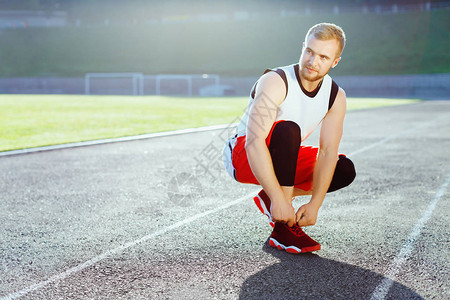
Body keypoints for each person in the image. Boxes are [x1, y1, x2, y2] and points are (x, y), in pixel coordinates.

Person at [223, 23, 356, 254]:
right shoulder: (276, 81)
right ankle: (282, 226)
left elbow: (327, 152)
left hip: (283, 155)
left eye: (323, 57)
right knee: (288, 130)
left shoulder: (335, 96)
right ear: (303, 47)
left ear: (335, 62)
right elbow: (254, 141)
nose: (313, 61)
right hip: (243, 156)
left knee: (342, 168)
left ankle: (269, 198)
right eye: (310, 52)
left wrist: (315, 204)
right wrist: (280, 198)